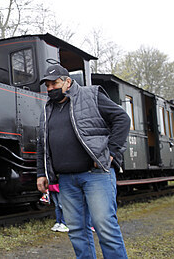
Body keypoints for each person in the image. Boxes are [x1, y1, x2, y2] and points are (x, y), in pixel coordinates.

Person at [36, 64, 129, 259]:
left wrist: (111, 152)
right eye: (48, 85)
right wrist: (41, 173)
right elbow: (42, 144)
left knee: (105, 227)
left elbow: (122, 118)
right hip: (67, 180)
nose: (51, 88)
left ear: (68, 82)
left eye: (55, 83)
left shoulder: (91, 95)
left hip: (95, 175)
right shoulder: (48, 109)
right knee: (77, 231)